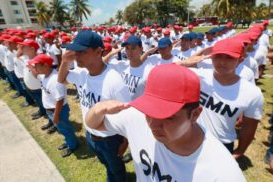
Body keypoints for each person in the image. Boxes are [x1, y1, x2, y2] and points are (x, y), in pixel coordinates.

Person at [85, 63, 246, 182]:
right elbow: (94, 124)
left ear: (195, 115)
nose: (153, 125)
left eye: (168, 117)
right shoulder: (136, 118)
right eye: (150, 111)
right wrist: (99, 108)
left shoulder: (222, 173)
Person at [58, 30, 131, 182]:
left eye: (82, 52)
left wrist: (125, 141)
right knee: (107, 165)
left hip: (110, 139)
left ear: (98, 51)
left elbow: (128, 115)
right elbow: (61, 80)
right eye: (75, 51)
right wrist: (65, 61)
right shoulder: (82, 73)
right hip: (90, 135)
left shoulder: (114, 81)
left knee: (117, 170)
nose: (76, 56)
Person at [193, 38, 264, 157]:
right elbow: (167, 70)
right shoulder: (199, 76)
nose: (222, 62)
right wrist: (201, 53)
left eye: (229, 58)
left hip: (221, 145)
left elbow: (249, 127)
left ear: (240, 61)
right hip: (192, 138)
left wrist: (239, 152)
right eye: (218, 56)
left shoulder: (252, 93)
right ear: (211, 58)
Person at [27, 54, 78, 157]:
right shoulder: (44, 75)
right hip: (51, 109)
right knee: (62, 129)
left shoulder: (55, 80)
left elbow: (59, 99)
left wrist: (55, 115)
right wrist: (30, 67)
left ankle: (73, 145)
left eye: (36, 65)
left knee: (65, 128)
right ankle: (68, 141)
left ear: (45, 65)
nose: (35, 68)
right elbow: (36, 75)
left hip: (58, 110)